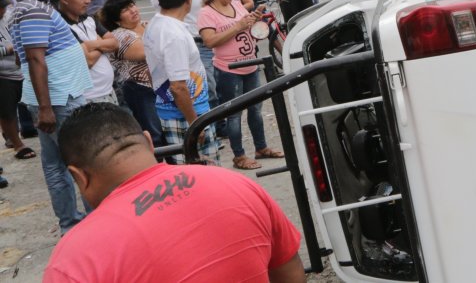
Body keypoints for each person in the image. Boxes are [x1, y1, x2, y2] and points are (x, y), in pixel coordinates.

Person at [45, 103, 305, 282]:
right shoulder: (233, 183)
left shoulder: (74, 258)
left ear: (78, 176)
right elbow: (288, 269)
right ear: (148, 141)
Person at [10, 0, 92, 232]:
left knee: (57, 163)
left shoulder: (35, 6)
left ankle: (71, 224)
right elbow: (35, 60)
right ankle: (91, 224)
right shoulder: (33, 9)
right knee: (83, 162)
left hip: (56, 97)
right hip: (59, 100)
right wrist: (46, 108)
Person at [199, 0, 283, 171]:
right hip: (229, 70)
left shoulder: (236, 4)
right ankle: (239, 155)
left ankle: (261, 147)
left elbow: (248, 26)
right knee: (234, 114)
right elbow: (210, 41)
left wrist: (255, 18)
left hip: (250, 64)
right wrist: (238, 26)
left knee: (256, 110)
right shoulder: (206, 13)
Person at [143, 0, 218, 165]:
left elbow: (151, 70)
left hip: (175, 111)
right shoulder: (173, 34)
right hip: (186, 115)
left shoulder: (156, 24)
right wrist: (195, 125)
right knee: (204, 175)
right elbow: (178, 87)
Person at [99, 0, 161, 146]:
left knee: (166, 130)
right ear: (117, 19)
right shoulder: (120, 36)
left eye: (132, 5)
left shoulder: (147, 25)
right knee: (154, 134)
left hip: (160, 87)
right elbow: (145, 53)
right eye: (125, 10)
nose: (133, 10)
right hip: (140, 89)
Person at [59, 0, 119, 105]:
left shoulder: (90, 18)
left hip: (109, 92)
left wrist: (90, 45)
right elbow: (88, 61)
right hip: (89, 98)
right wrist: (103, 45)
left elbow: (115, 43)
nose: (88, 0)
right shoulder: (61, 26)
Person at [181, 0, 221, 130]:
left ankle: (221, 123)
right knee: (208, 86)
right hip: (196, 41)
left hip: (218, 39)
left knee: (221, 84)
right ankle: (214, 125)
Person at [0, 0, 35, 165]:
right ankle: (17, 144)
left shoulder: (8, 18)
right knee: (7, 112)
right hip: (2, 74)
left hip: (20, 70)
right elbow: (9, 47)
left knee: (29, 104)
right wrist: (8, 49)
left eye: (4, 7)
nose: (3, 10)